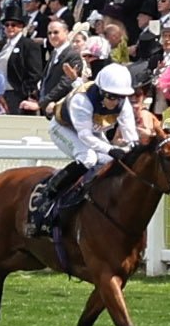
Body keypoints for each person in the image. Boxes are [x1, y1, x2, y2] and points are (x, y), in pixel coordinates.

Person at [28, 60, 142, 247]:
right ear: (102, 92)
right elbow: (85, 137)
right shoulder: (82, 101)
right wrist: (112, 149)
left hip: (94, 130)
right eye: (112, 97)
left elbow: (131, 136)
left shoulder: (123, 103)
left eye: (120, 97)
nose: (116, 102)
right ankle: (47, 196)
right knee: (88, 158)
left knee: (108, 162)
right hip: (64, 128)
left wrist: (133, 149)